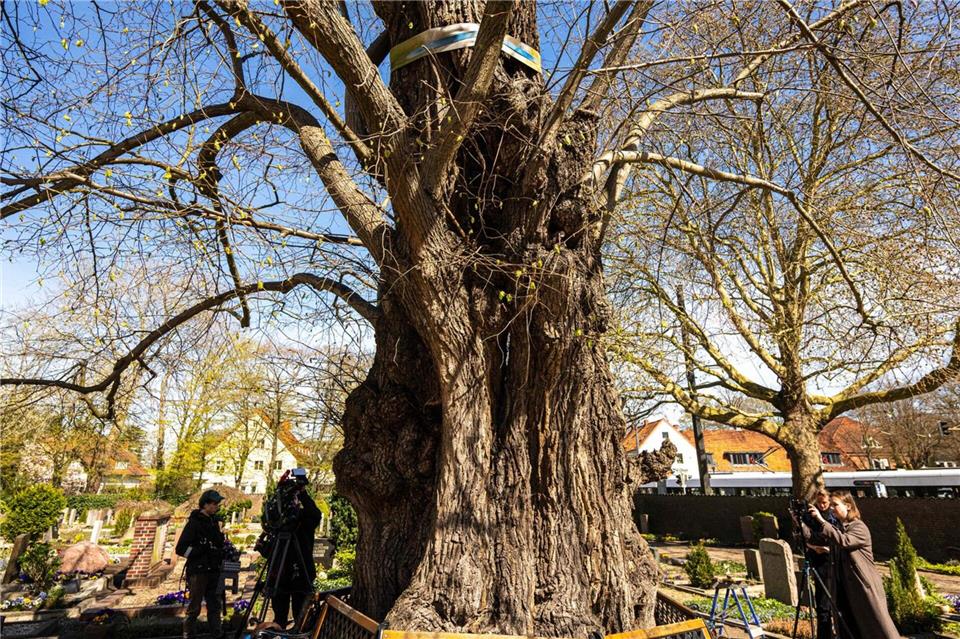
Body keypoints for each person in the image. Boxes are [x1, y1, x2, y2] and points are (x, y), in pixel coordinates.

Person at [807, 491, 901, 639]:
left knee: (876, 626)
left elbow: (844, 541)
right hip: (844, 587)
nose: (831, 508)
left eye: (835, 505)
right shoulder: (841, 527)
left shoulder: (858, 527)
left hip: (862, 587)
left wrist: (821, 521)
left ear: (848, 506)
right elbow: (818, 539)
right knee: (850, 627)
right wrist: (800, 523)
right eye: (830, 505)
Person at [271, 471, 323, 629]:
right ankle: (278, 629)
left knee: (300, 613)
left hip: (299, 571)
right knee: (279, 614)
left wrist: (302, 494)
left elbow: (315, 514)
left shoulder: (302, 520)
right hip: (280, 570)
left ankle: (298, 630)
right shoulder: (281, 518)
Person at [176, 489, 226, 639]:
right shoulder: (194, 523)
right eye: (214, 503)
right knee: (194, 607)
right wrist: (201, 549)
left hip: (213, 570)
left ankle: (217, 634)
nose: (217, 506)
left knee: (215, 606)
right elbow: (181, 549)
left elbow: (218, 544)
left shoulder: (214, 522)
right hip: (198, 571)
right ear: (205, 505)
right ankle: (189, 634)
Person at [804, 488, 840, 639]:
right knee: (823, 602)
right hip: (819, 562)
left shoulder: (834, 516)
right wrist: (814, 547)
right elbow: (804, 538)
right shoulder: (809, 517)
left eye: (825, 502)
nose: (822, 505)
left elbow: (839, 537)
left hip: (834, 560)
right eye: (819, 503)